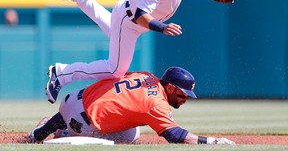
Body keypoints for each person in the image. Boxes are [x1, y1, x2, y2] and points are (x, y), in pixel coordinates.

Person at [46, 0, 232, 103]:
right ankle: (62, 73)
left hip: (131, 8)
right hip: (131, 20)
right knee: (116, 69)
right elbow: (139, 16)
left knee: (113, 30)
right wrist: (163, 28)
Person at [29, 67, 235, 145]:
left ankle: (43, 129)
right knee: (127, 137)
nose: (186, 99)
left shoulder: (146, 75)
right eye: (183, 94)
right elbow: (175, 136)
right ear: (171, 88)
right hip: (81, 123)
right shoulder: (156, 104)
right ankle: (59, 132)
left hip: (73, 98)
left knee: (130, 129)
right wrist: (212, 142)